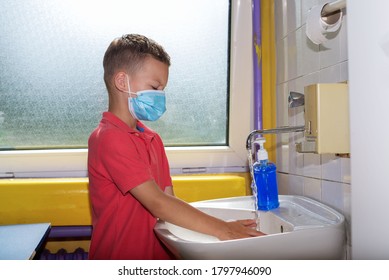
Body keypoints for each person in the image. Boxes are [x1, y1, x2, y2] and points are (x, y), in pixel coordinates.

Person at [87, 34, 265, 260]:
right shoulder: (109, 138)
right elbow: (158, 203)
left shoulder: (152, 139)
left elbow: (169, 201)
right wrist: (223, 229)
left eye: (162, 89)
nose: (160, 96)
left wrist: (217, 227)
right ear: (122, 82)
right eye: (154, 87)